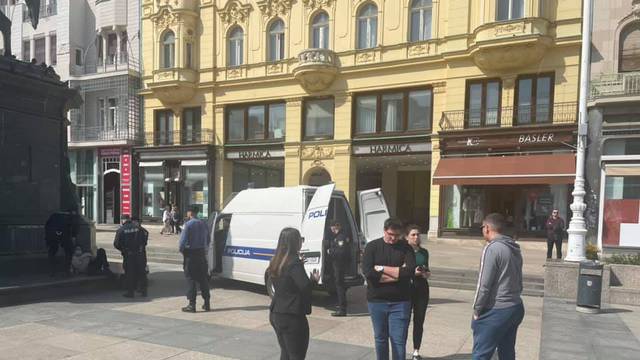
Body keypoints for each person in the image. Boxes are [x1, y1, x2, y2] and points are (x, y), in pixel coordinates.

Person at [472, 213, 524, 360]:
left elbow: (484, 284)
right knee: (507, 352)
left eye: (482, 227)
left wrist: (477, 310)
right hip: (514, 306)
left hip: (496, 310)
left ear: (487, 228)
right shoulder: (514, 247)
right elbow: (519, 280)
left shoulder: (492, 249)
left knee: (481, 354)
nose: (482, 230)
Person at [362, 217, 416, 360]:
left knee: (398, 341)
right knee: (380, 339)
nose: (393, 238)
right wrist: (399, 273)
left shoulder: (406, 248)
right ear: (384, 231)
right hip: (377, 301)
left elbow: (410, 271)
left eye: (397, 236)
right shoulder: (372, 247)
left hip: (401, 302)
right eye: (390, 235)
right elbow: (369, 273)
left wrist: (382, 269)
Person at [268, 227, 320, 360]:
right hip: (292, 316)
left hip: (276, 313)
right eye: (300, 239)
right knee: (297, 355)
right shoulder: (294, 262)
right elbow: (304, 286)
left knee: (285, 352)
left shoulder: (276, 261)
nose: (301, 242)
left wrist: (299, 265)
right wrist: (314, 280)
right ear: (294, 242)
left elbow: (284, 284)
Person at [179, 207, 211, 312]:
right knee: (203, 279)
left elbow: (182, 242)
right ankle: (207, 303)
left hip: (191, 255)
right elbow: (208, 239)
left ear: (190, 212)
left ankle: (192, 305)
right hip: (201, 254)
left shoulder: (188, 225)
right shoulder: (204, 224)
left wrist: (182, 251)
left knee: (191, 279)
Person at [406, 225, 430, 360]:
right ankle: (400, 347)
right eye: (413, 235)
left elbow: (427, 267)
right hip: (407, 288)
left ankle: (416, 350)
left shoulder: (424, 252)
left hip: (422, 288)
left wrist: (426, 273)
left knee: (419, 321)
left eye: (418, 234)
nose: (416, 237)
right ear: (407, 237)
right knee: (404, 320)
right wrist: (411, 273)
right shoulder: (404, 251)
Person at [114, 214, 148, 298]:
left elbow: (116, 244)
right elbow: (145, 238)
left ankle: (130, 292)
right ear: (129, 219)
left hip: (129, 255)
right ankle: (144, 291)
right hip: (140, 254)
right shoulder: (139, 228)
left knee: (129, 273)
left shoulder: (121, 230)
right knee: (141, 272)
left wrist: (123, 250)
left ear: (122, 220)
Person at [327, 220, 351, 317]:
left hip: (339, 264)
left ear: (337, 226)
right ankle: (342, 305)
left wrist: (330, 251)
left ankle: (342, 309)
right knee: (339, 285)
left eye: (332, 227)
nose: (332, 229)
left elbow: (341, 252)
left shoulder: (341, 237)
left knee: (340, 285)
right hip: (338, 264)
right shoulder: (337, 237)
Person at [44, 211, 77, 277]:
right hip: (63, 233)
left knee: (52, 251)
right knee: (69, 250)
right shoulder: (70, 217)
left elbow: (47, 226)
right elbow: (73, 229)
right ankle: (67, 271)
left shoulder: (53, 216)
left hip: (53, 233)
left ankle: (52, 271)